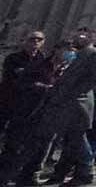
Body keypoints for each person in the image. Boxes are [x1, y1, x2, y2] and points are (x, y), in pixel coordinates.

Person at [39, 27, 96, 187]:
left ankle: (86, 171)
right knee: (70, 140)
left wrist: (74, 92)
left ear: (90, 38)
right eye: (77, 34)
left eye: (83, 35)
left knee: (77, 139)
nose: (78, 38)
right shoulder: (74, 55)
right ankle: (60, 173)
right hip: (64, 103)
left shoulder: (94, 54)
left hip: (78, 104)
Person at [0, 30, 56, 186]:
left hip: (27, 108)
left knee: (15, 142)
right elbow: (14, 78)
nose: (36, 42)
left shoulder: (42, 59)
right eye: (32, 39)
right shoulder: (14, 58)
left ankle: (5, 171)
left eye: (39, 39)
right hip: (8, 102)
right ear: (24, 41)